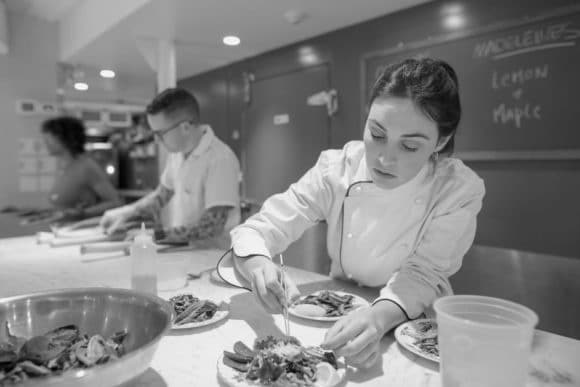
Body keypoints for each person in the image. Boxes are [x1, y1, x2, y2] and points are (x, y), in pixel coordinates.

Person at [231, 58, 485, 368]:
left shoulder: (456, 189)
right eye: (377, 134)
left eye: (409, 146)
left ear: (440, 141)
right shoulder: (337, 168)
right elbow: (255, 230)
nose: (384, 158)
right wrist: (259, 266)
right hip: (336, 313)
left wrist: (378, 318)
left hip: (414, 330)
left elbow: (423, 273)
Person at [100, 87, 241, 246]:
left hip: (214, 259)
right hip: (187, 252)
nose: (157, 140)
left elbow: (211, 227)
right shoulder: (177, 154)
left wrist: (153, 235)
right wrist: (124, 213)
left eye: (160, 133)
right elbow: (160, 196)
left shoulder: (220, 159)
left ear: (185, 127)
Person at [41, 116, 122, 220]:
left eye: (48, 138)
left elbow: (115, 202)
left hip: (80, 232)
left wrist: (83, 213)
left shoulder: (86, 166)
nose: (45, 143)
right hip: (63, 231)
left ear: (64, 139)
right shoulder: (65, 167)